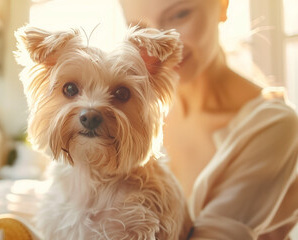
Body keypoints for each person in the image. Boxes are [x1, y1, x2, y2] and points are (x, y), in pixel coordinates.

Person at [119, 0, 298, 239]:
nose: (161, 45)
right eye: (140, 28)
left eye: (179, 15)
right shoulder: (130, 112)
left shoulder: (274, 126)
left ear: (223, 6)